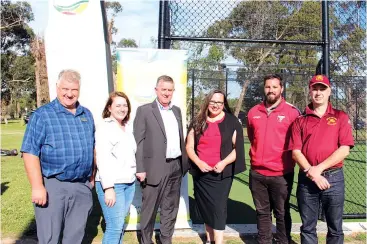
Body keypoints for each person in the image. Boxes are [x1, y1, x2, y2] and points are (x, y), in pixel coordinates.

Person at [21, 69, 95, 244]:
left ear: (79, 90)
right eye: (65, 89)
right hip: (53, 186)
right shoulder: (42, 115)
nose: (69, 94)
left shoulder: (86, 115)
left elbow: (92, 147)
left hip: (81, 186)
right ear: (57, 87)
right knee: (50, 238)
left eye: (74, 90)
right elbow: (29, 152)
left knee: (75, 238)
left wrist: (91, 177)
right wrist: (37, 186)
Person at [290, 75, 354, 244]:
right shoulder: (300, 120)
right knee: (308, 227)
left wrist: (318, 169)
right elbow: (296, 152)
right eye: (315, 88)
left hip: (334, 178)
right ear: (310, 91)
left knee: (335, 228)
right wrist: (314, 174)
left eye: (322, 88)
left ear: (329, 91)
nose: (318, 92)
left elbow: (344, 149)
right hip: (307, 180)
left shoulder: (340, 116)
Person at [133, 75, 189, 244]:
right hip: (153, 168)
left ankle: (166, 239)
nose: (166, 93)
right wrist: (140, 168)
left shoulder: (177, 111)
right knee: (150, 210)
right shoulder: (144, 111)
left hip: (175, 166)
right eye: (163, 89)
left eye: (169, 90)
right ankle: (146, 241)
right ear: (156, 90)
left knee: (170, 208)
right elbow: (139, 141)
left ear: (173, 91)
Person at [186, 89, 245, 244]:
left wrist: (223, 162)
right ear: (207, 102)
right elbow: (189, 147)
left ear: (223, 104)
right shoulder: (198, 120)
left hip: (221, 175)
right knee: (205, 208)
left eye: (219, 102)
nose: (215, 105)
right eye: (213, 101)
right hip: (201, 175)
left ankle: (218, 242)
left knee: (218, 210)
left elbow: (237, 150)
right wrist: (199, 163)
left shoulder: (232, 122)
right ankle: (209, 239)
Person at [247, 74, 300, 244]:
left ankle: (284, 240)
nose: (271, 90)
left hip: (281, 173)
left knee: (282, 212)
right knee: (262, 212)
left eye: (275, 87)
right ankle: (265, 241)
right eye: (268, 87)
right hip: (257, 173)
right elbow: (252, 136)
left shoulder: (292, 112)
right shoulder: (253, 112)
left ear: (281, 89)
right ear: (264, 88)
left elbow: (297, 141)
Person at [95, 91, 137, 243]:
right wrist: (108, 188)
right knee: (114, 227)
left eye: (125, 105)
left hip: (129, 183)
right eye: (118, 105)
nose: (122, 108)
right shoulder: (105, 128)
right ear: (109, 108)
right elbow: (102, 158)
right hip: (113, 185)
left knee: (120, 227)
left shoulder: (127, 127)